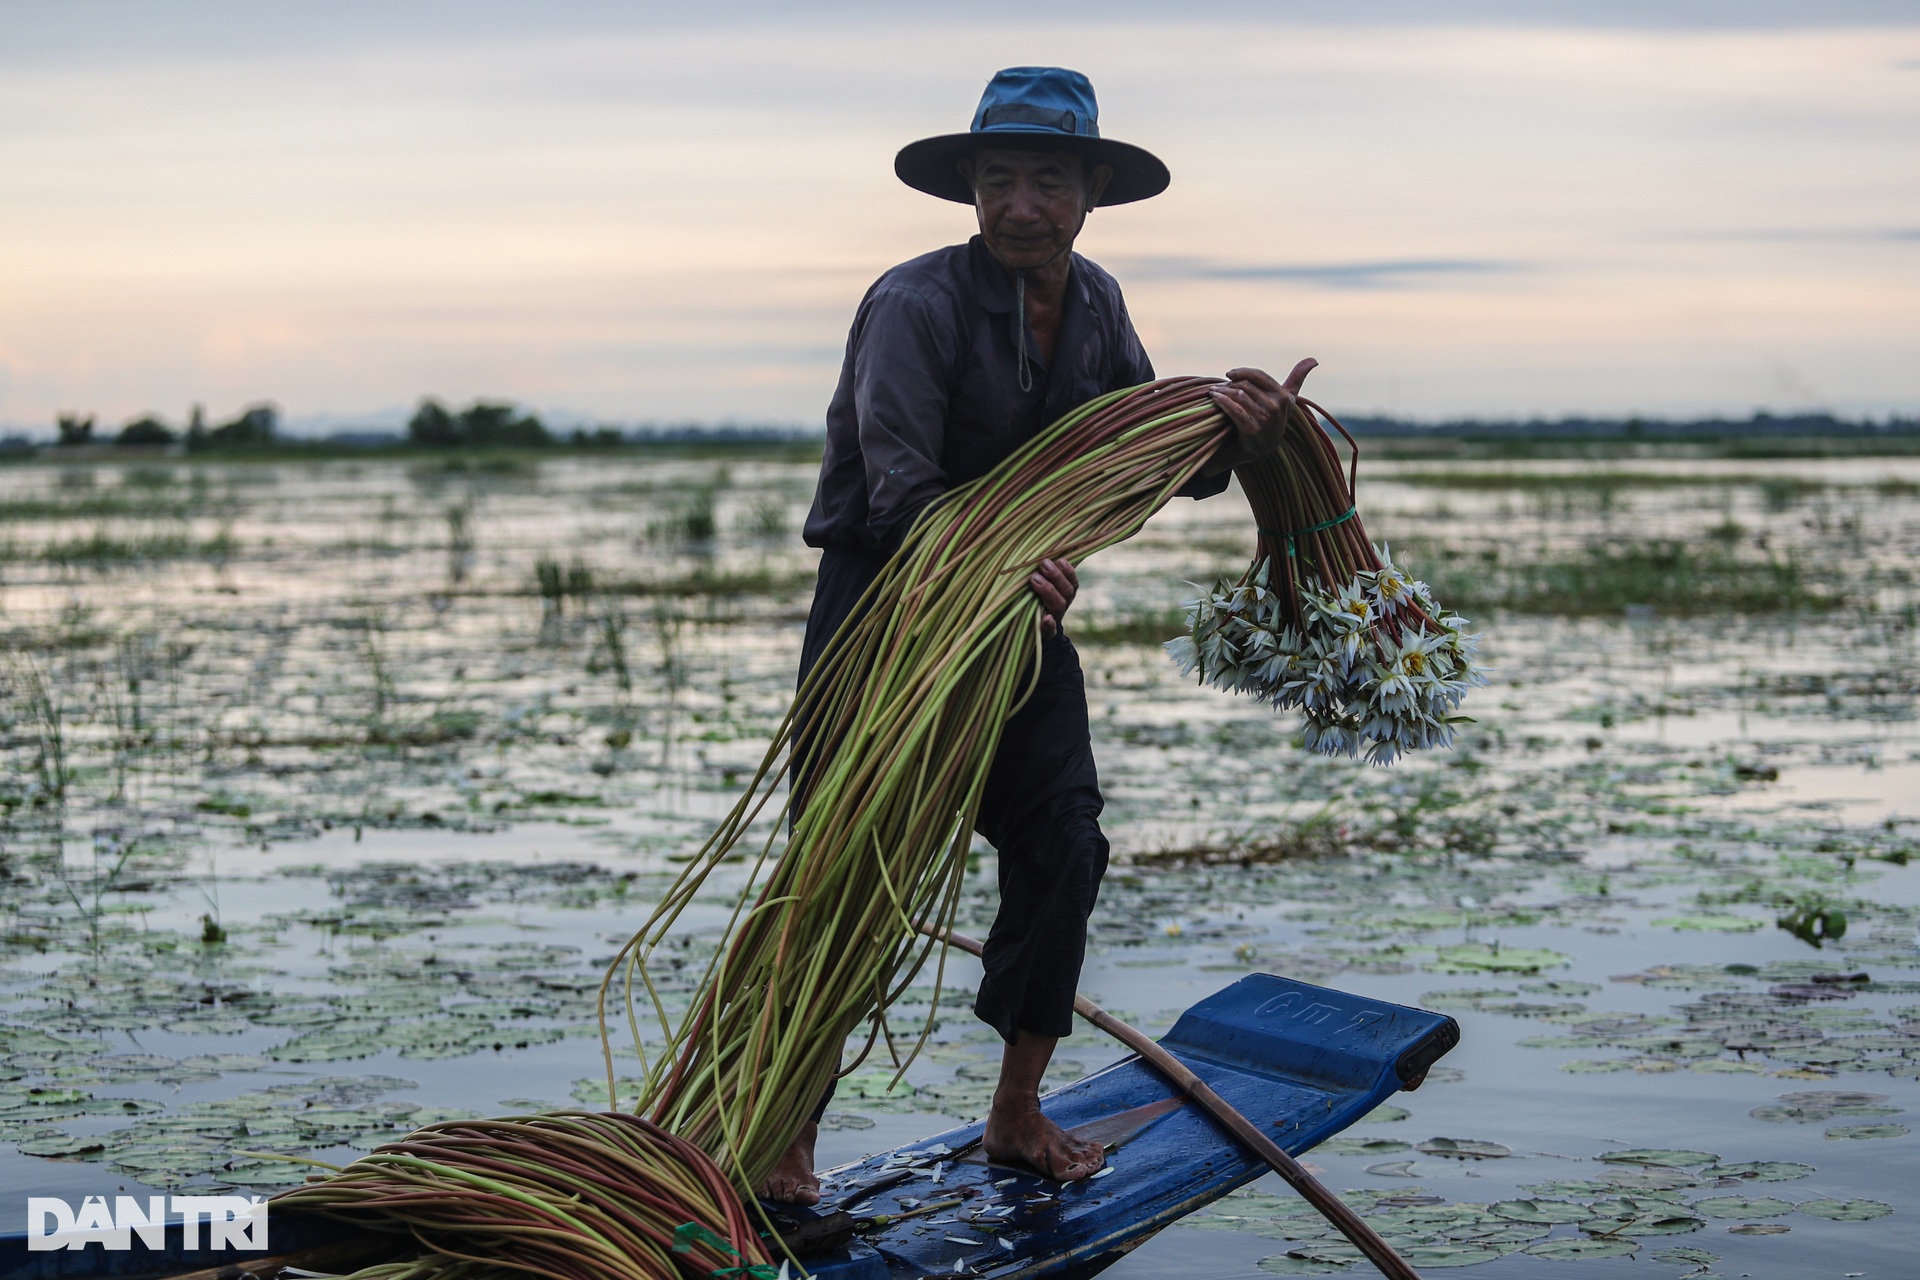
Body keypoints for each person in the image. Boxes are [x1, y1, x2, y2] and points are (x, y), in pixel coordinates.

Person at [762, 66, 1312, 1203]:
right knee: (842, 873)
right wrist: (998, 558)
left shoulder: (1099, 302)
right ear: (969, 188)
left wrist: (1243, 438)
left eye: (1048, 181)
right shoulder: (913, 304)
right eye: (1000, 179)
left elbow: (1153, 446)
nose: (1023, 203)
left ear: (1090, 193)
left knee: (1066, 842)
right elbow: (898, 488)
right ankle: (784, 1138)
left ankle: (1016, 1111)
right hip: (889, 614)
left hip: (1021, 617)